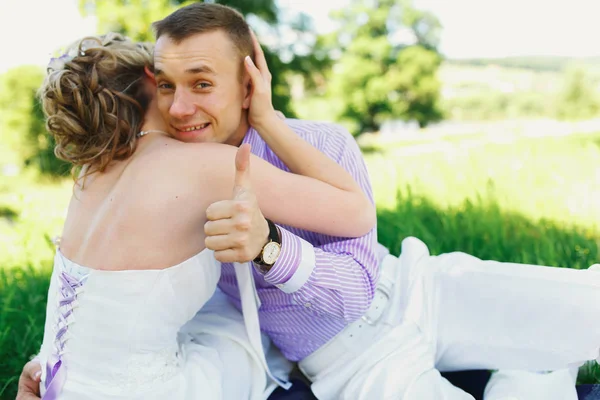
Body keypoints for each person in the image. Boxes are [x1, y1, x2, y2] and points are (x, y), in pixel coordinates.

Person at [19, 3, 600, 400]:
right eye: (166, 86)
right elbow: (133, 299)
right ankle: (535, 370)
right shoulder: (171, 177)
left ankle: (537, 355)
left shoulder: (321, 144)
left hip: (413, 289)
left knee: (590, 306)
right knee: (539, 369)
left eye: (202, 84)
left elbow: (356, 286)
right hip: (351, 358)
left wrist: (270, 245)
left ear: (250, 81)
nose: (178, 108)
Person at [19, 31, 376, 400]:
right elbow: (357, 214)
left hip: (52, 382)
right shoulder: (204, 165)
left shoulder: (89, 179)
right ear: (150, 77)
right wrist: (266, 117)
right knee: (244, 348)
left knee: (223, 326)